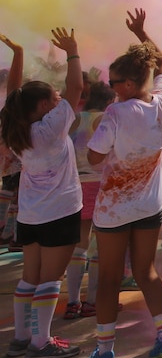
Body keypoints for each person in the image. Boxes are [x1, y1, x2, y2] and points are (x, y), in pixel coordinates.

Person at [84, 9, 162, 358]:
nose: (110, 86)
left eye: (113, 81)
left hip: (114, 210)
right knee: (146, 272)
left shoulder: (116, 115)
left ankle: (105, 353)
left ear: (126, 84)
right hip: (150, 206)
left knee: (107, 279)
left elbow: (93, 158)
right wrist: (142, 33)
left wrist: (105, 122)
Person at [1, 28, 84, 358]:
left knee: (29, 278)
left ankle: (21, 339)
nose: (59, 99)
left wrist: (19, 54)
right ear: (42, 106)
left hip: (30, 216)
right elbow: (77, 88)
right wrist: (73, 51)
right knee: (51, 279)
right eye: (53, 96)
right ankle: (40, 343)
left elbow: (13, 96)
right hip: (60, 212)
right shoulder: (52, 128)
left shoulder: (15, 128)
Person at [64, 80, 115, 320]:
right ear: (108, 101)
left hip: (76, 183)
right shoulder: (104, 119)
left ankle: (72, 301)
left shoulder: (75, 117)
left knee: (79, 244)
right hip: (100, 184)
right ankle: (92, 300)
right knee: (99, 245)